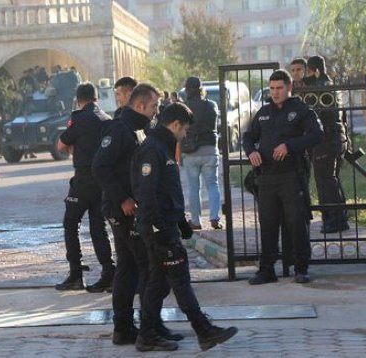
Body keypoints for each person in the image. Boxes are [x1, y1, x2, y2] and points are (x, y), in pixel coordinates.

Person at [133, 102, 238, 352]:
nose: (185, 135)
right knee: (180, 280)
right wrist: (160, 229)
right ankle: (203, 329)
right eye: (184, 130)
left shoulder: (163, 148)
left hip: (166, 226)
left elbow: (169, 193)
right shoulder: (152, 150)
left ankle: (147, 334)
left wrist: (182, 225)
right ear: (176, 125)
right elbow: (146, 194)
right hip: (159, 230)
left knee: (159, 283)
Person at [93, 83, 182, 346]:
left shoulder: (140, 129)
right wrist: (123, 198)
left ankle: (128, 328)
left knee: (128, 267)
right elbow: (99, 167)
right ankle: (147, 330)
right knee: (147, 267)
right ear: (140, 105)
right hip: (122, 209)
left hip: (133, 208)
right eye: (154, 106)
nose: (156, 111)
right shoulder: (119, 129)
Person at [243, 70, 323, 285]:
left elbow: (317, 134)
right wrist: (251, 151)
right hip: (267, 178)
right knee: (268, 225)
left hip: (291, 175)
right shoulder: (264, 112)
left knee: (296, 223)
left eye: (279, 88)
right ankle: (267, 270)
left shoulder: (301, 111)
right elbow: (248, 136)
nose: (275, 92)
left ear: (289, 87)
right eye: (272, 88)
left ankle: (301, 268)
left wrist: (290, 145)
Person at [54, 82, 114, 292]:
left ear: (79, 100)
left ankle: (76, 274)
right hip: (103, 180)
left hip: (83, 180)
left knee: (71, 223)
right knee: (99, 228)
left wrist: (76, 148)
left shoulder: (79, 119)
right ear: (96, 98)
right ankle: (109, 273)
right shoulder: (107, 120)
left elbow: (61, 146)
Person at [305, 55, 350, 234]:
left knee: (326, 181)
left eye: (308, 71)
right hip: (337, 137)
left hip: (327, 138)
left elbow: (316, 113)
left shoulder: (320, 88)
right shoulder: (330, 84)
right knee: (331, 179)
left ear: (315, 70)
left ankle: (335, 219)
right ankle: (336, 217)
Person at [180, 76, 222, 230]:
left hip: (190, 151)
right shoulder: (212, 105)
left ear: (187, 90)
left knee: (193, 187)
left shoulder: (183, 108)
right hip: (210, 149)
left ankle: (196, 221)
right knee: (212, 184)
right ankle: (215, 218)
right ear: (201, 89)